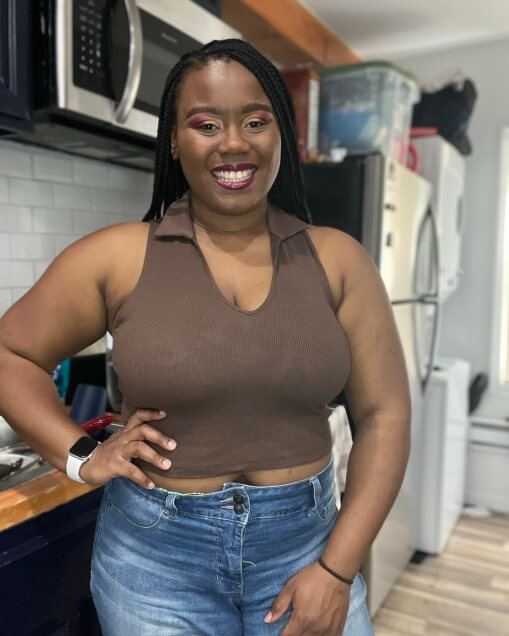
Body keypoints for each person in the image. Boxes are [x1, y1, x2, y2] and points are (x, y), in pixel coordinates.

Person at [0, 38, 411, 635]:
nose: (234, 142)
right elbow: (11, 353)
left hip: (306, 551)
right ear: (173, 138)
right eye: (206, 123)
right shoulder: (115, 257)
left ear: (280, 134)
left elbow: (386, 416)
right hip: (153, 563)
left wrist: (337, 570)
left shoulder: (339, 260)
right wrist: (81, 455)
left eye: (255, 120)